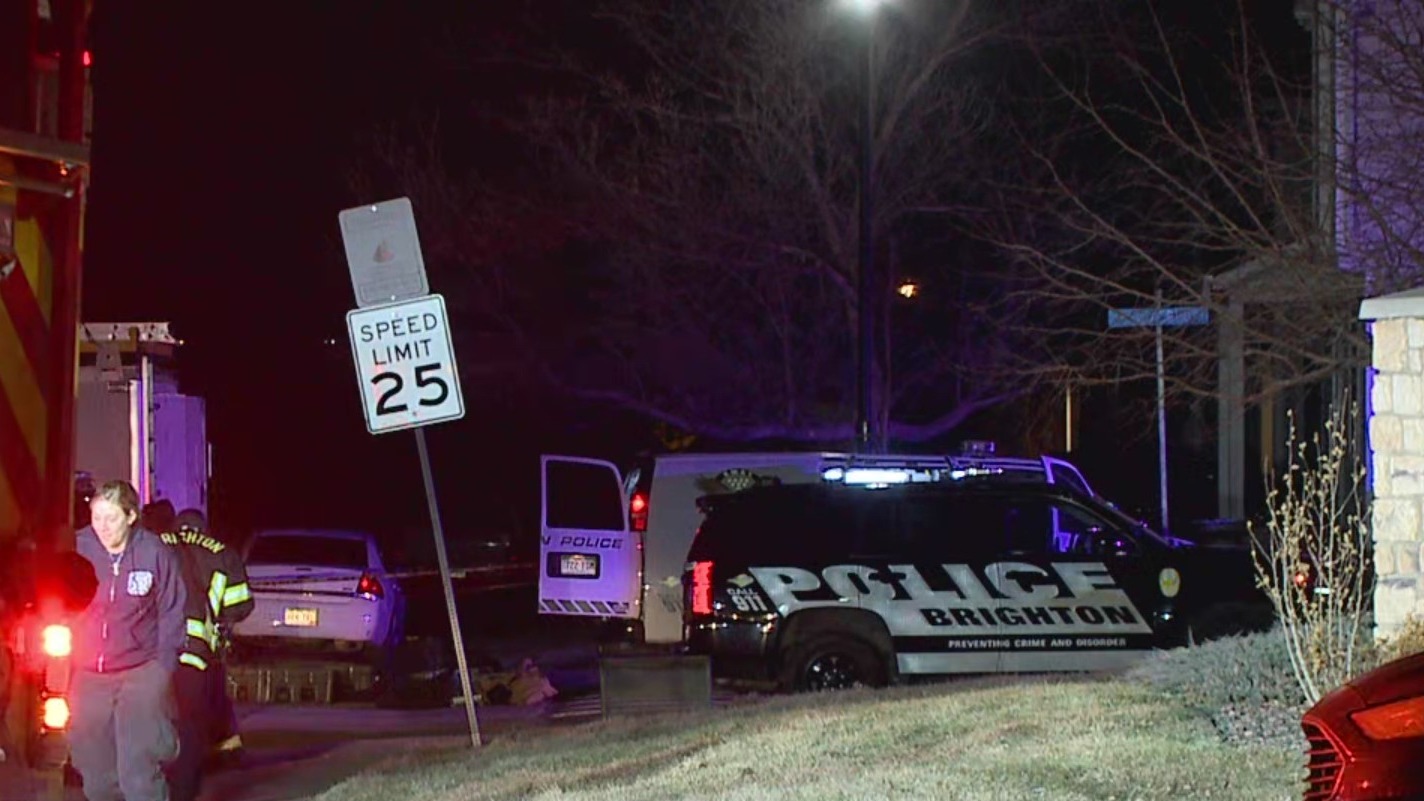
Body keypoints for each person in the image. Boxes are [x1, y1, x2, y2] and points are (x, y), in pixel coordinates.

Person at [70, 480, 186, 801]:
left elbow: (173, 609)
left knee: (138, 769)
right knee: (94, 770)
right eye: (97, 518)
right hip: (89, 674)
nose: (103, 527)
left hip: (141, 672)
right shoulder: (78, 548)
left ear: (131, 516)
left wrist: (162, 668)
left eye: (111, 518)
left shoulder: (154, 552)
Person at [161, 508, 252, 801]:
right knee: (190, 728)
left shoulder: (153, 544)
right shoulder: (223, 554)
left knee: (146, 721)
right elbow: (240, 606)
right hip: (194, 654)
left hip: (152, 653)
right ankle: (182, 794)